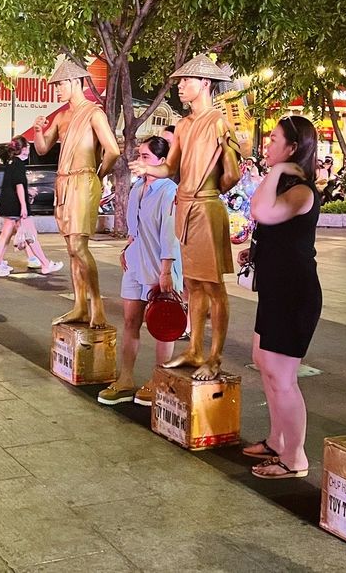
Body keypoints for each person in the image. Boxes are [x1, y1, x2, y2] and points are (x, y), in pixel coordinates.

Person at [129, 54, 240, 380]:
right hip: (185, 206)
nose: (180, 87)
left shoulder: (217, 122)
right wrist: (148, 168)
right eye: (180, 82)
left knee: (213, 286)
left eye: (186, 81)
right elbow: (170, 166)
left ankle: (214, 356)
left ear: (205, 83)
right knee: (191, 283)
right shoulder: (184, 125)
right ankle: (193, 350)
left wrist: (212, 189)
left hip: (205, 207)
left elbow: (232, 173)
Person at [238, 115, 322, 480]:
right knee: (264, 362)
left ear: (292, 148)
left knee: (283, 376)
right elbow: (264, 220)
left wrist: (276, 170)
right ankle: (277, 441)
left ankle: (295, 457)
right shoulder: (287, 185)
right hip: (275, 289)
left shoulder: (302, 191)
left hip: (294, 293)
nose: (266, 145)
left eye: (274, 140)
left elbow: (260, 211)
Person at [33, 57, 121, 328]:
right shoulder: (61, 116)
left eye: (60, 84)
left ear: (74, 83)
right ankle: (79, 305)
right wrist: (38, 130)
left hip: (83, 181)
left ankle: (97, 306)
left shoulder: (93, 112)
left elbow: (113, 150)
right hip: (64, 183)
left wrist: (98, 173)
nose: (57, 89)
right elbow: (42, 148)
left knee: (80, 246)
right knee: (71, 248)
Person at [97, 136, 180, 406]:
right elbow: (133, 230)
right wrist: (126, 249)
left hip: (159, 266)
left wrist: (167, 271)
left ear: (162, 161)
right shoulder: (136, 190)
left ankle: (159, 382)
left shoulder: (169, 191)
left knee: (162, 325)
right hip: (135, 263)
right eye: (139, 155)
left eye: (145, 156)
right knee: (131, 322)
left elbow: (171, 235)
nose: (139, 161)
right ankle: (126, 378)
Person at [0, 136, 63, 277]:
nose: (29, 149)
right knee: (29, 235)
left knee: (7, 235)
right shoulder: (18, 164)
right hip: (15, 204)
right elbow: (19, 186)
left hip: (8, 202)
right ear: (22, 149)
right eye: (28, 146)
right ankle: (45, 264)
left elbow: (14, 183)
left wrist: (27, 191)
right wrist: (23, 206)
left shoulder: (11, 162)